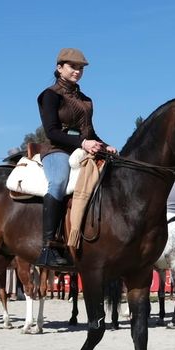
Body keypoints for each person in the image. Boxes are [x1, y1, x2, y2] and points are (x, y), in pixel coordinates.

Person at [36, 47, 107, 268]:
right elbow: (51, 132)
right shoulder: (50, 95)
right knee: (58, 183)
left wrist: (104, 145)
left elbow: (89, 132)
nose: (77, 71)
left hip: (81, 150)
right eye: (73, 66)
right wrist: (83, 143)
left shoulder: (86, 100)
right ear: (60, 68)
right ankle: (48, 247)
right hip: (56, 150)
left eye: (81, 68)